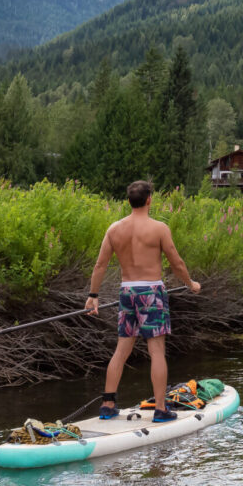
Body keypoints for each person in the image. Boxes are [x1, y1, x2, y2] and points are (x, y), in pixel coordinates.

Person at [85, 180, 201, 423]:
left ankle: (108, 404)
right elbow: (177, 263)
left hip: (127, 292)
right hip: (151, 292)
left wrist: (93, 296)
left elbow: (100, 265)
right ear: (149, 199)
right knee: (156, 350)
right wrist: (191, 284)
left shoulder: (114, 229)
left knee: (121, 350)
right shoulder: (159, 228)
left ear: (129, 201)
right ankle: (161, 409)